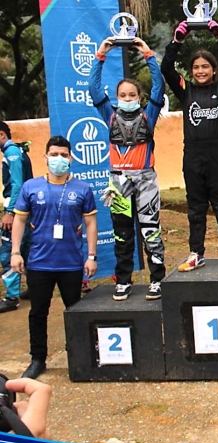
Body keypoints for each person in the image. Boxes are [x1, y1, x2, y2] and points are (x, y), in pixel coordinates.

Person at [10, 136, 98, 380]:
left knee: (74, 312)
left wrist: (91, 256)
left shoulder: (82, 189)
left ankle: (77, 355)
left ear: (70, 159)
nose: (59, 159)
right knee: (38, 312)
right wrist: (15, 252)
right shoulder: (31, 187)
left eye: (63, 155)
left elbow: (91, 223)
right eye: (54, 154)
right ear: (45, 157)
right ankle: (38, 358)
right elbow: (19, 220)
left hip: (71, 264)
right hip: (39, 263)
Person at [161, 20, 218, 272]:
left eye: (205, 66)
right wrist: (177, 41)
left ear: (214, 69)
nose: (200, 71)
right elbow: (166, 68)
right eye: (196, 67)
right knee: (195, 208)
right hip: (193, 155)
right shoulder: (186, 91)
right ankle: (196, 253)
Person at [89, 37, 165, 301]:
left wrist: (148, 54)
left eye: (132, 95)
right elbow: (93, 89)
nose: (128, 98)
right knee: (122, 234)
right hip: (119, 181)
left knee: (150, 230)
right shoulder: (110, 115)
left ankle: (157, 279)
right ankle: (123, 281)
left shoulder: (148, 115)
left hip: (145, 180)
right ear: (117, 97)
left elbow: (159, 86)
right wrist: (101, 54)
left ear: (139, 97)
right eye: (123, 95)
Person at [0, 121, 30, 312]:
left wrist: (10, 212)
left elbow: (17, 184)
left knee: (9, 251)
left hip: (18, 210)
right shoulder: (16, 150)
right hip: (25, 209)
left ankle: (11, 297)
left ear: (2, 135)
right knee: (27, 250)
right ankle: (34, 288)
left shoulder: (11, 153)